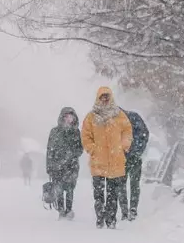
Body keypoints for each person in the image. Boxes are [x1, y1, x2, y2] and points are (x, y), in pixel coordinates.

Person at [81, 87, 133, 229]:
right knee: (98, 194)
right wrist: (92, 149)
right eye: (102, 97)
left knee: (112, 194)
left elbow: (128, 131)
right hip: (98, 161)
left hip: (115, 160)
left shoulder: (119, 115)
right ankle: (100, 217)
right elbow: (85, 136)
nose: (105, 99)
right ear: (98, 98)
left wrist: (123, 146)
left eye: (107, 97)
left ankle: (111, 219)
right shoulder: (91, 117)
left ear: (111, 98)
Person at [46, 107, 83, 219]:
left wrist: (71, 155)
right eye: (66, 116)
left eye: (71, 117)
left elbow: (80, 149)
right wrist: (49, 166)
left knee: (70, 189)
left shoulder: (76, 132)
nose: (68, 119)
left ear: (74, 118)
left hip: (72, 166)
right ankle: (61, 211)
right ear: (62, 117)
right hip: (57, 166)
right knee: (59, 189)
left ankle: (69, 210)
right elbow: (49, 150)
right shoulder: (54, 131)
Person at [118, 109, 149, 220]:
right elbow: (144, 135)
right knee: (131, 184)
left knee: (125, 184)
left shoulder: (132, 118)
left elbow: (144, 135)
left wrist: (134, 151)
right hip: (127, 157)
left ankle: (128, 210)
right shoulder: (133, 117)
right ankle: (129, 210)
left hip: (128, 157)